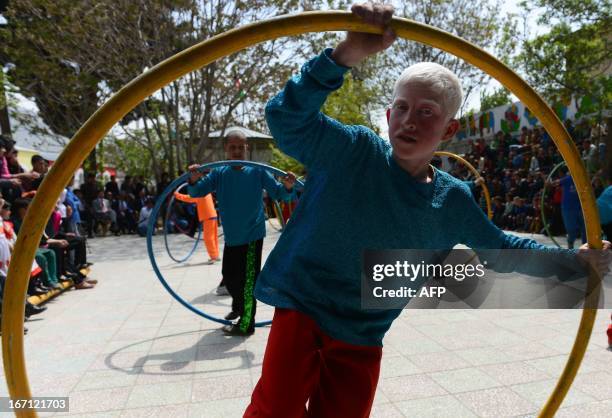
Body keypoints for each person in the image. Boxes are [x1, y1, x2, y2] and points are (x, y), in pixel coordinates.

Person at [243, 3, 612, 417]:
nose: (410, 121)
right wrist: (345, 55)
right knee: (277, 407)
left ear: (449, 129)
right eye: (401, 108)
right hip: (305, 302)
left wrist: (573, 260)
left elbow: (500, 248)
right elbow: (285, 117)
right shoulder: (353, 150)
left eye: (426, 112)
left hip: (364, 328)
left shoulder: (450, 199)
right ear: (387, 115)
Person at [186, 130, 296, 336]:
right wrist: (193, 179)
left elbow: (280, 194)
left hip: (252, 235)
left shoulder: (257, 171)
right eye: (232, 147)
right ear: (226, 149)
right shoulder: (220, 173)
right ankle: (238, 308)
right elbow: (197, 192)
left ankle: (246, 324)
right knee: (229, 276)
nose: (237, 151)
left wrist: (288, 186)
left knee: (248, 282)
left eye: (241, 147)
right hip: (232, 236)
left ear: (247, 149)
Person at [174, 187, 220, 264]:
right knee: (213, 237)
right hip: (212, 215)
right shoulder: (206, 190)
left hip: (208, 216)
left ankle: (214, 257)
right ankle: (216, 255)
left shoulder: (200, 192)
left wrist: (177, 195)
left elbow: (189, 198)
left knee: (208, 238)